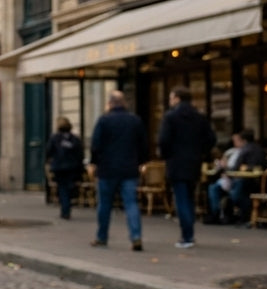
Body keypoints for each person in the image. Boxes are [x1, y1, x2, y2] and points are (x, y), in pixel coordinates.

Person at [157, 87, 216, 247]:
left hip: (176, 162)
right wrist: (201, 152)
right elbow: (211, 139)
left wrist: (166, 155)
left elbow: (163, 140)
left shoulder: (170, 117)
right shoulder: (199, 117)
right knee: (189, 198)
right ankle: (189, 233)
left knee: (181, 199)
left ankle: (187, 235)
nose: (170, 101)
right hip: (194, 162)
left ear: (176, 98)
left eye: (171, 98)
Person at [89, 90, 147, 251]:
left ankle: (102, 237)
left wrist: (94, 163)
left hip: (107, 168)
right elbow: (143, 144)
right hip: (129, 168)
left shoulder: (104, 120)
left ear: (110, 104)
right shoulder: (135, 120)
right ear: (124, 104)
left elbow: (96, 144)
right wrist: (141, 162)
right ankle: (136, 236)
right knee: (131, 203)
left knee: (105, 204)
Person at [208, 129, 266, 226]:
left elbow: (235, 167)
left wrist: (227, 169)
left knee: (232, 192)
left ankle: (224, 215)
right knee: (220, 188)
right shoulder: (259, 149)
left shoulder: (244, 150)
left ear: (243, 140)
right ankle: (232, 215)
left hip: (246, 181)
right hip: (260, 182)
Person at [44, 117, 84, 220]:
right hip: (72, 167)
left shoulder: (55, 138)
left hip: (59, 167)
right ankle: (67, 207)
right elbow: (80, 154)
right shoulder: (75, 139)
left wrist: (50, 160)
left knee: (62, 188)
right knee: (69, 187)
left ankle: (65, 209)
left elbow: (48, 151)